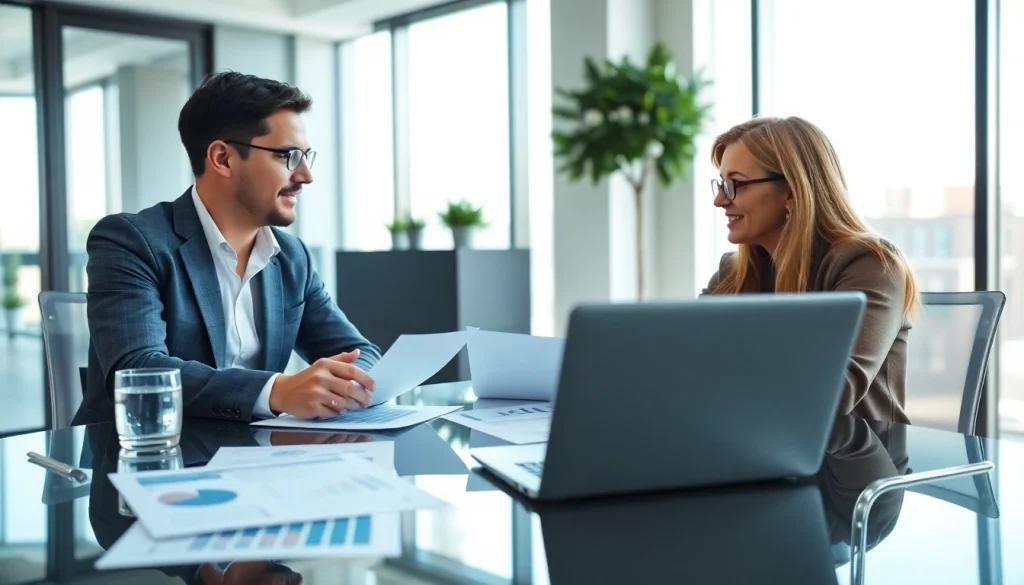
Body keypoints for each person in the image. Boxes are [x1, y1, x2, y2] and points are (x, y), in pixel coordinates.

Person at [74, 71, 381, 426]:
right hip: (141, 449)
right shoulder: (131, 241)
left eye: (306, 156)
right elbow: (138, 370)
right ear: (222, 158)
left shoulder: (292, 256)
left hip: (255, 453)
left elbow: (361, 353)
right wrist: (276, 391)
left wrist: (348, 384)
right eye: (288, 156)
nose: (305, 176)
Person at [703, 116, 918, 424]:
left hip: (854, 451)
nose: (720, 200)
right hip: (751, 441)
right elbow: (688, 364)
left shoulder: (871, 264)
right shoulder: (733, 273)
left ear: (791, 190)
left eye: (735, 184)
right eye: (721, 183)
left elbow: (834, 394)